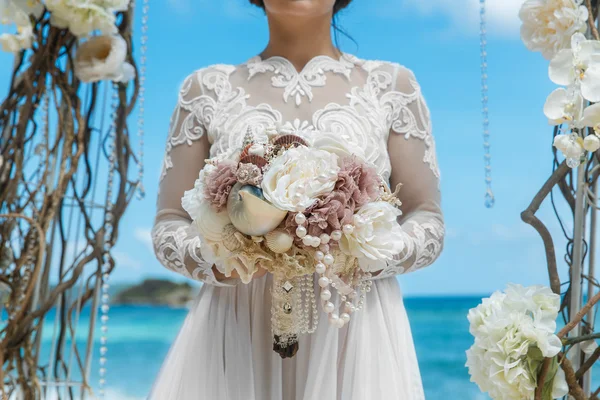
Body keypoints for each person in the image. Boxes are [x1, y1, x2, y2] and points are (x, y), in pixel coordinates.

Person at [148, 0, 445, 398]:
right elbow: (169, 222)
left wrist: (360, 250)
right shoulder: (205, 89)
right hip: (236, 325)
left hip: (353, 330)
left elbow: (427, 217)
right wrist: (225, 258)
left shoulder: (393, 86)